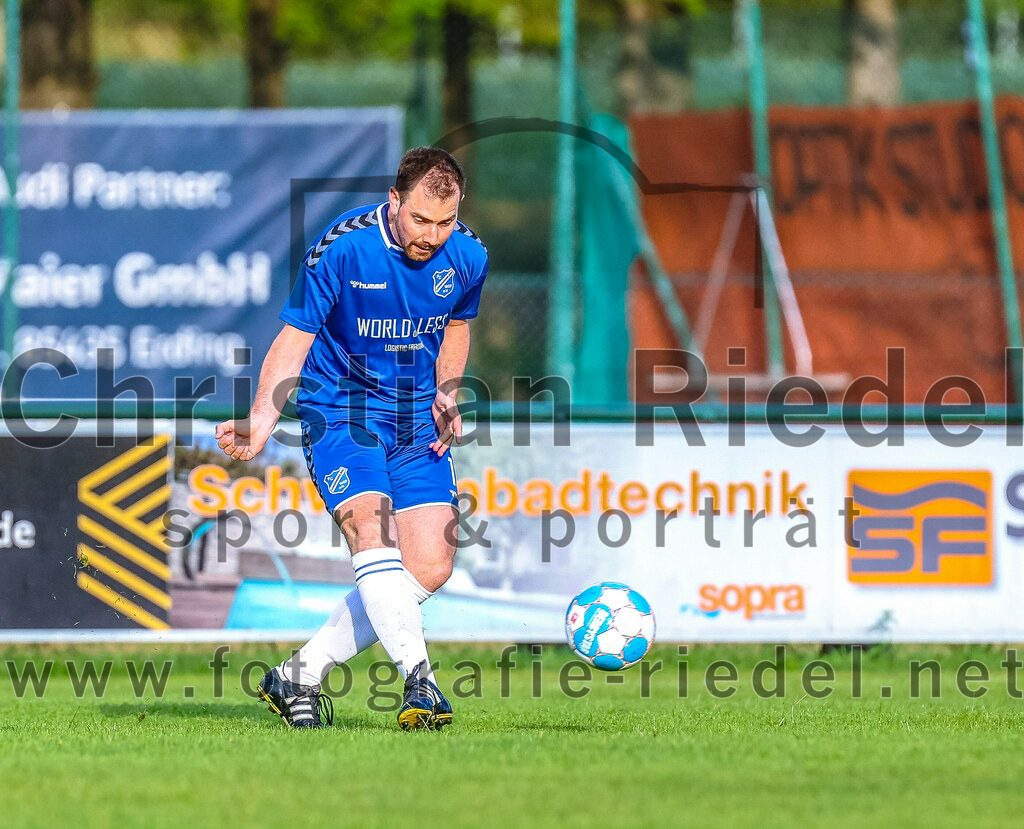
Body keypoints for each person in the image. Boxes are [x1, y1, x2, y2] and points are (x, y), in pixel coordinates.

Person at [215, 147, 487, 730]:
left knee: (431, 565)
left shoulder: (467, 256)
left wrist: (447, 390)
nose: (433, 236)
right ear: (395, 201)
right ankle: (422, 682)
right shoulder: (343, 247)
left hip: (416, 423)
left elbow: (457, 326)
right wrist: (263, 418)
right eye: (420, 220)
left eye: (445, 222)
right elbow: (295, 336)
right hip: (341, 412)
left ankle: (298, 675)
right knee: (372, 527)